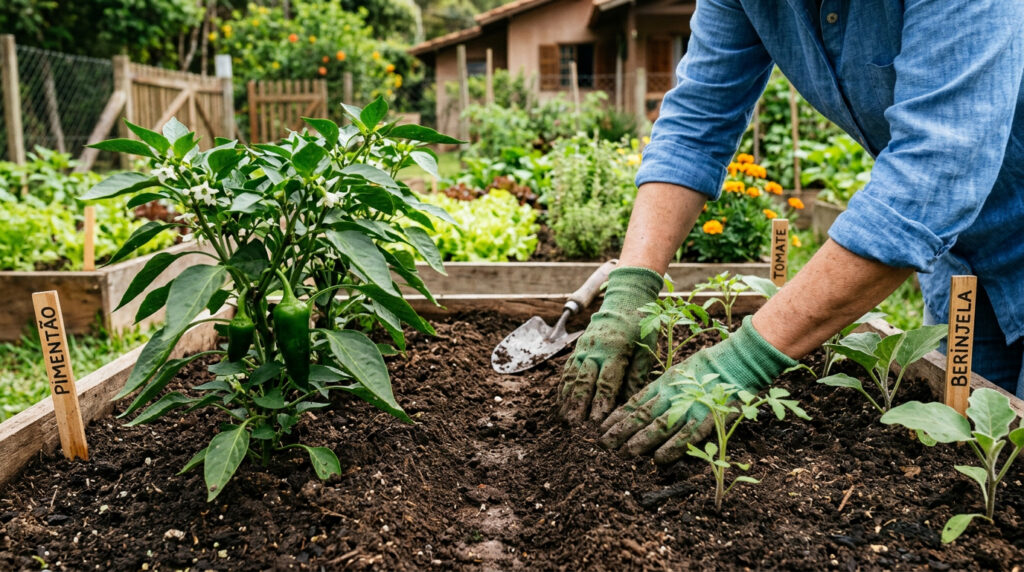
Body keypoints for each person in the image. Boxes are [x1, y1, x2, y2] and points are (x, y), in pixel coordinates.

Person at [558, 0, 1024, 464]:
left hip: (984, 219)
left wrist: (743, 359)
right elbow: (696, 124)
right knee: (973, 461)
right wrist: (630, 289)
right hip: (959, 257)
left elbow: (934, 172)